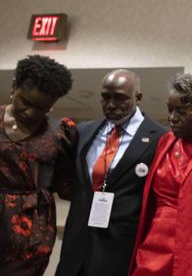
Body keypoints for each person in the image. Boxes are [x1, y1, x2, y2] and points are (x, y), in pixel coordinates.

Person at [56, 69, 167, 276]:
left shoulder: (160, 138)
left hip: (120, 246)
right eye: (105, 97)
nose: (111, 104)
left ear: (138, 97)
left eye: (120, 98)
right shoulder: (83, 131)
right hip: (77, 242)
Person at [129, 74, 192, 276]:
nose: (172, 118)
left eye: (182, 111)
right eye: (170, 110)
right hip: (154, 242)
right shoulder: (166, 142)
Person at [0, 55, 77, 276]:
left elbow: (66, 185)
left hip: (31, 229)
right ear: (14, 86)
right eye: (26, 102)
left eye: (42, 108)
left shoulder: (60, 132)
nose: (31, 113)